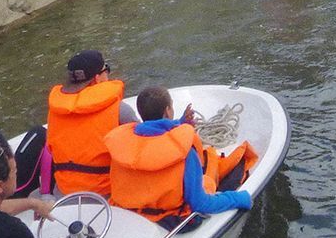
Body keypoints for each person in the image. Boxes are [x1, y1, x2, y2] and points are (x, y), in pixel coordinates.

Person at [105, 85, 255, 228]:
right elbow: (200, 204)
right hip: (170, 220)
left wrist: (179, 123)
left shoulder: (121, 146)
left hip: (126, 214)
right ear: (168, 111)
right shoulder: (184, 152)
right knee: (208, 177)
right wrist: (239, 199)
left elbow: (152, 132)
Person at [45, 50, 126, 197]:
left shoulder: (55, 111)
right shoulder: (120, 110)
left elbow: (49, 150)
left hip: (64, 193)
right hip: (107, 195)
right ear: (97, 79)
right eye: (106, 69)